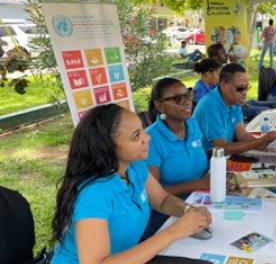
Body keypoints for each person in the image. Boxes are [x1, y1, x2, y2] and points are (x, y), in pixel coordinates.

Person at [50, 104, 212, 264]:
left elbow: (162, 200)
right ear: (107, 148)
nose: (147, 138)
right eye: (136, 136)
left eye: (142, 129)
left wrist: (188, 210)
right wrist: (175, 231)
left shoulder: (134, 166)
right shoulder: (94, 194)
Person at [141, 78, 211, 239]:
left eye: (188, 94)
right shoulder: (151, 139)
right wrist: (199, 184)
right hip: (167, 209)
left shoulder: (192, 124)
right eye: (178, 98)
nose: (186, 102)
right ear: (159, 105)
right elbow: (154, 194)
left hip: (200, 197)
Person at [193, 63, 276, 154]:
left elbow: (242, 135)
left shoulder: (234, 101)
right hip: (208, 162)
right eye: (240, 89)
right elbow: (222, 148)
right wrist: (263, 141)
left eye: (246, 88)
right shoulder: (209, 106)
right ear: (224, 85)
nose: (244, 93)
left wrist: (268, 146)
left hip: (223, 157)